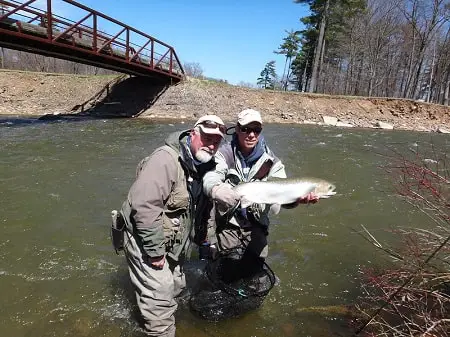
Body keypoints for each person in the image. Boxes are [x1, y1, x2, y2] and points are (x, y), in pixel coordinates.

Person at [119, 115, 226, 337]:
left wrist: (208, 240)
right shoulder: (165, 160)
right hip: (144, 239)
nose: (211, 144)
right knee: (161, 304)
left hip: (173, 241)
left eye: (216, 141)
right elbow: (145, 206)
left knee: (176, 288)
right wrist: (155, 252)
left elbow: (206, 211)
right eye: (206, 137)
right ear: (193, 133)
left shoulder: (207, 167)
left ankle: (146, 310)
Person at [203, 109, 318, 280]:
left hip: (257, 227)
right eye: (246, 129)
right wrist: (216, 189)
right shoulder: (224, 154)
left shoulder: (272, 162)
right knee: (224, 274)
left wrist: (296, 200)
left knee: (253, 276)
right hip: (229, 225)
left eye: (256, 130)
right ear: (237, 129)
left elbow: (282, 196)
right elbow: (211, 176)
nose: (251, 135)